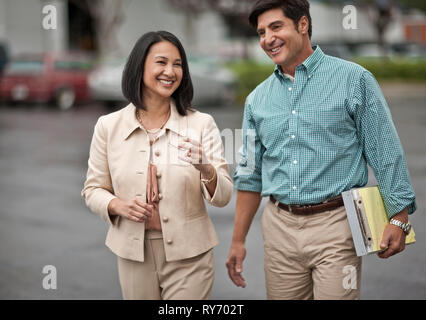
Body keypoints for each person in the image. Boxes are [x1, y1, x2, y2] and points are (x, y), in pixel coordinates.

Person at [226, 0, 417, 300]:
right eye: (261, 32)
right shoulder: (256, 100)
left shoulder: (354, 80)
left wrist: (398, 217)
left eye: (276, 27)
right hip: (279, 228)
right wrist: (237, 241)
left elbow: (384, 150)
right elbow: (250, 175)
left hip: (337, 224)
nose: (267, 39)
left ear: (303, 25)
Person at [82, 31, 233, 300]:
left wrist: (206, 168)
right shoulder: (108, 126)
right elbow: (93, 189)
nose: (171, 71)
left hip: (191, 257)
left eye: (178, 64)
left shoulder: (202, 124)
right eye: (161, 62)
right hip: (132, 254)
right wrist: (117, 205)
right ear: (139, 67)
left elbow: (223, 197)